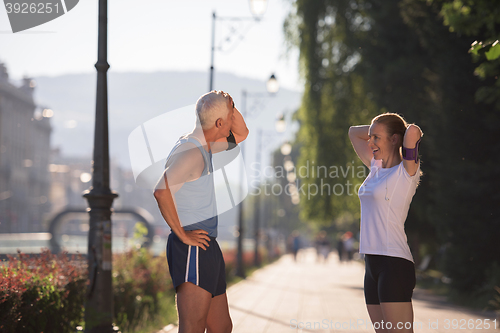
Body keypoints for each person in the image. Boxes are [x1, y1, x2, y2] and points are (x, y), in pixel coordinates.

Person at [153, 90, 249, 333]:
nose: (231, 123)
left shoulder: (205, 144)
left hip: (207, 246)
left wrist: (230, 106)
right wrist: (183, 236)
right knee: (192, 326)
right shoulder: (191, 152)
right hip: (192, 248)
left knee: (221, 327)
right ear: (219, 123)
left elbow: (241, 133)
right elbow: (161, 191)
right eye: (228, 118)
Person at [349, 113, 422, 333]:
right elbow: (353, 132)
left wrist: (399, 128)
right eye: (370, 137)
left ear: (394, 139)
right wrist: (377, 130)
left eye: (376, 138)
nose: (370, 142)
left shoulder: (407, 172)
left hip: (394, 264)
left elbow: (413, 132)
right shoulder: (375, 168)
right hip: (372, 264)